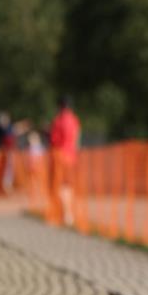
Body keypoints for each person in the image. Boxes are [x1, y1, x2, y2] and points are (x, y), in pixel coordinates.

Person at [49, 96, 81, 227]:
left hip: (60, 156)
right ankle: (68, 214)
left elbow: (54, 140)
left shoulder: (59, 120)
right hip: (72, 156)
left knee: (60, 186)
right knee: (68, 185)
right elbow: (77, 138)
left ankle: (65, 214)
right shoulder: (75, 120)